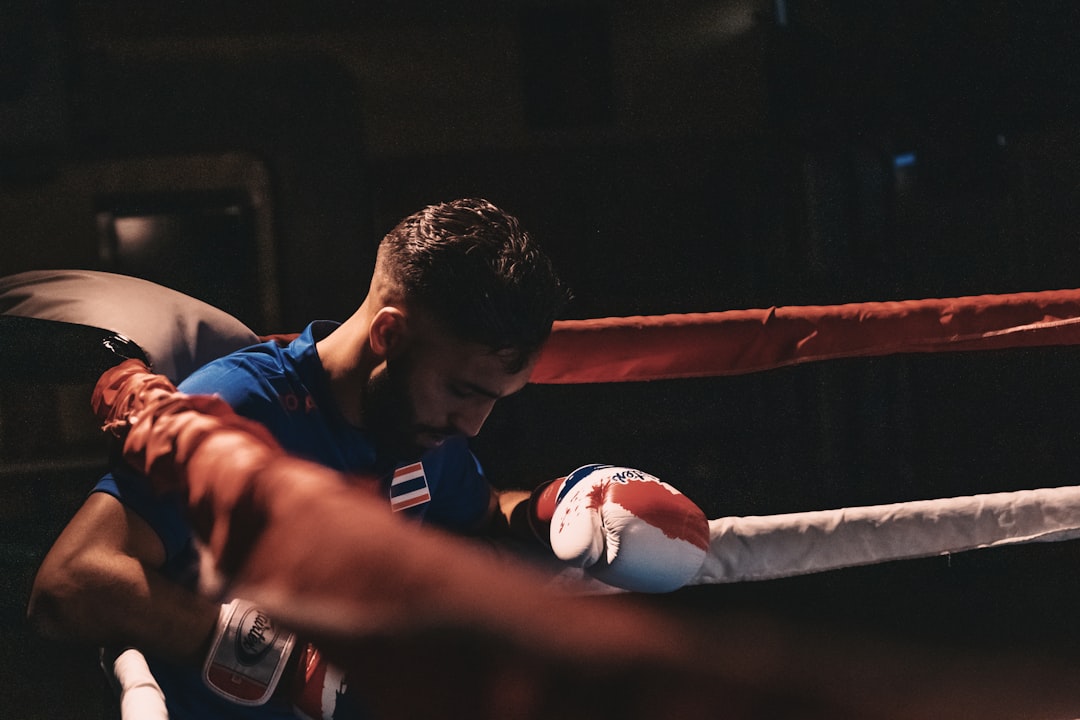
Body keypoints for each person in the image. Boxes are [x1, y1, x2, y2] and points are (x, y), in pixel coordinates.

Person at [26, 198, 709, 719]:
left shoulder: (417, 429)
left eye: (496, 398)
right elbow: (69, 583)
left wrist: (555, 506)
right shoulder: (239, 405)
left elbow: (476, 514)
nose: (473, 421)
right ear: (389, 335)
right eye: (464, 389)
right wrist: (274, 660)